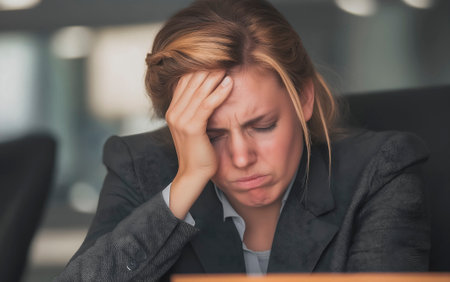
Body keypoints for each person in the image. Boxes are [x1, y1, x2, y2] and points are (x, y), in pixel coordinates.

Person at [55, 0, 430, 281]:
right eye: (212, 134)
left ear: (303, 98)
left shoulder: (379, 168)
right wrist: (185, 184)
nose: (240, 156)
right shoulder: (139, 165)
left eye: (263, 125)